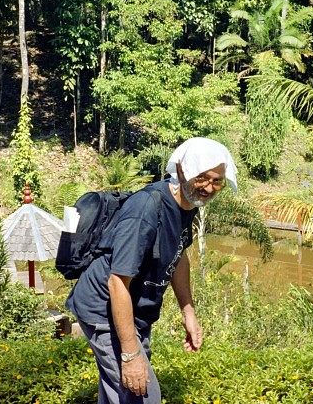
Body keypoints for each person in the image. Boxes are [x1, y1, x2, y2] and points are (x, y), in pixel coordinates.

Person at [66, 137, 237, 404]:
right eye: (202, 177)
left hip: (134, 311)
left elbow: (179, 257)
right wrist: (130, 354)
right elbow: (117, 283)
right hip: (104, 308)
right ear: (182, 170)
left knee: (121, 390)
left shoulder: (186, 205)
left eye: (217, 181)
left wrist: (188, 312)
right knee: (140, 393)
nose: (209, 187)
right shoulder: (146, 208)